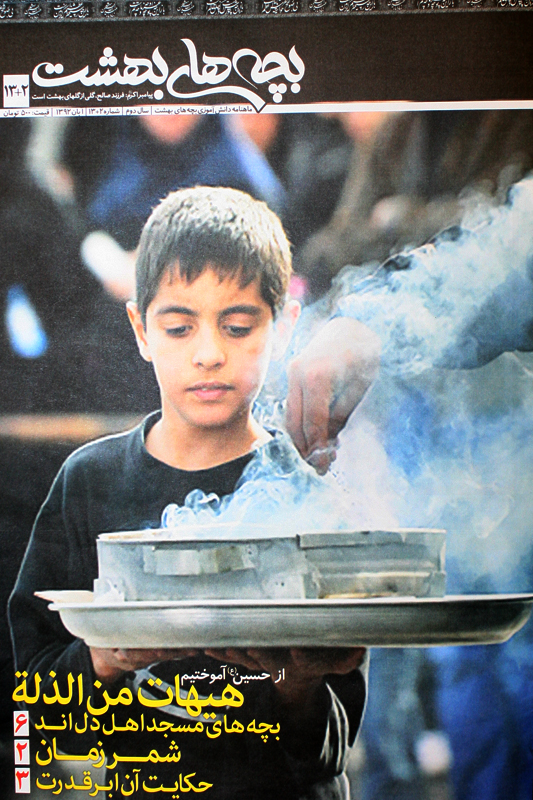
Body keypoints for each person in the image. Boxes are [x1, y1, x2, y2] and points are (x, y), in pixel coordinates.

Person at [9, 187, 368, 800]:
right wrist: (105, 657)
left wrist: (297, 683)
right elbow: (28, 703)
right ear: (140, 329)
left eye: (237, 326)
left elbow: (330, 748)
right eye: (179, 327)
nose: (208, 354)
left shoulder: (309, 492)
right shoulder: (88, 482)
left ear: (284, 326)